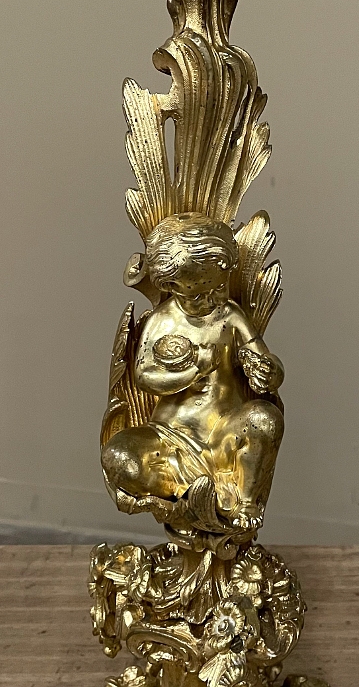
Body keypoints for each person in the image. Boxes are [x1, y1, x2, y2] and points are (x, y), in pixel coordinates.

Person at [101, 212, 284, 532]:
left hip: (223, 437)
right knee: (118, 455)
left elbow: (265, 358)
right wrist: (193, 371)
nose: (211, 299)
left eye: (218, 288)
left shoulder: (229, 316)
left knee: (265, 419)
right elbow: (144, 377)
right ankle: (188, 493)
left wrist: (270, 372)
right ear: (171, 285)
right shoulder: (163, 321)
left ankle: (243, 501)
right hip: (168, 438)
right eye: (199, 293)